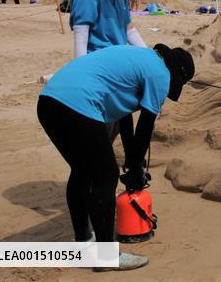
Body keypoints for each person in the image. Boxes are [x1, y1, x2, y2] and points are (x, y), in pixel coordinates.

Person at [37, 43, 195, 270]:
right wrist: (136, 171)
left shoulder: (142, 59)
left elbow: (126, 120)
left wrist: (133, 162)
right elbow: (146, 125)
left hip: (49, 102)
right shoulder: (160, 73)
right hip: (78, 103)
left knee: (83, 171)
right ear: (177, 74)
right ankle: (107, 257)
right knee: (106, 175)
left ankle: (83, 242)